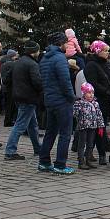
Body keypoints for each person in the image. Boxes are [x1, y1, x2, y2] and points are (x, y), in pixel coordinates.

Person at [38, 32, 76, 174]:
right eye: (66, 43)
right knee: (65, 133)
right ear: (61, 43)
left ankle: (44, 162)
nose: (67, 45)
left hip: (50, 99)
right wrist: (71, 97)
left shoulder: (45, 58)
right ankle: (60, 164)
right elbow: (65, 82)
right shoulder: (60, 58)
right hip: (62, 101)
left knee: (50, 132)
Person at [3, 41, 42, 161]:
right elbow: (37, 83)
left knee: (33, 125)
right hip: (28, 98)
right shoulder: (32, 64)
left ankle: (38, 149)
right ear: (34, 52)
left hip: (18, 97)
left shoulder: (17, 62)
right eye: (38, 51)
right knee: (20, 125)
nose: (39, 53)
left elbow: (6, 80)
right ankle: (10, 151)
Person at [83, 40, 110, 159]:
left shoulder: (108, 64)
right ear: (97, 51)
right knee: (98, 126)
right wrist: (106, 91)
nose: (107, 53)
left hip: (107, 99)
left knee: (100, 125)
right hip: (97, 99)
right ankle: (102, 148)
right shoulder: (91, 65)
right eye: (104, 50)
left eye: (108, 51)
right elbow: (93, 83)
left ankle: (93, 153)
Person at [73, 82, 105, 170]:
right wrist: (77, 111)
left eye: (92, 92)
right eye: (88, 92)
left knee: (90, 144)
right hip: (83, 126)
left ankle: (88, 159)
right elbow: (75, 114)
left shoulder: (95, 104)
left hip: (93, 126)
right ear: (84, 93)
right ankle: (81, 161)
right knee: (82, 144)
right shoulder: (79, 103)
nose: (91, 95)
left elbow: (99, 115)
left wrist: (101, 126)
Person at [0, 49, 19, 127]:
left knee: (8, 105)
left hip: (5, 87)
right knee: (10, 106)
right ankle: (8, 121)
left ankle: (8, 120)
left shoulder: (3, 63)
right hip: (10, 87)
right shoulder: (12, 64)